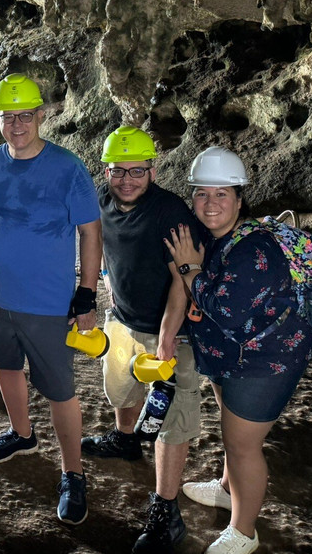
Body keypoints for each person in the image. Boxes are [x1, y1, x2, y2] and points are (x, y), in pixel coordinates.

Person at [0, 73, 102, 525]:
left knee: (60, 390)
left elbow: (90, 231)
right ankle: (21, 433)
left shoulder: (67, 167)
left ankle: (73, 473)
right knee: (6, 367)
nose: (17, 124)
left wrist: (86, 293)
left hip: (48, 302)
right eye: (8, 116)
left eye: (26, 115)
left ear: (42, 115)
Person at [164, 147, 312, 554]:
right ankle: (227, 488)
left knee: (243, 446)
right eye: (202, 194)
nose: (210, 203)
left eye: (221, 194)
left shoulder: (254, 249)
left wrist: (188, 270)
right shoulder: (219, 239)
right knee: (233, 437)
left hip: (264, 364)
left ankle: (244, 531)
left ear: (239, 198)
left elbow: (227, 312)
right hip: (233, 360)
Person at [81, 126, 207, 553]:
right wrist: (103, 287)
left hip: (173, 331)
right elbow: (96, 245)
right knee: (119, 389)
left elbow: (182, 279)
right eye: (119, 171)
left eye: (138, 171)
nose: (128, 180)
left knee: (173, 418)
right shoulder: (100, 200)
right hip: (123, 321)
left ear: (153, 170)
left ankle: (166, 510)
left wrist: (168, 337)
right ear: (107, 169)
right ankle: (125, 440)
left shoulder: (169, 212)